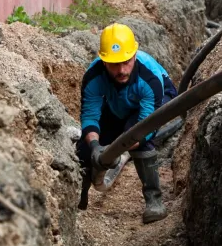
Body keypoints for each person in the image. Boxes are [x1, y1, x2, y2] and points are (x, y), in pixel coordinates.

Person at [76, 22, 178, 224]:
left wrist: (116, 149)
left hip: (157, 101)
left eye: (126, 62)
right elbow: (90, 115)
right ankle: (78, 198)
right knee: (84, 148)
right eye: (114, 64)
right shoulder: (93, 77)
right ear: (103, 61)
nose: (121, 69)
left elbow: (146, 125)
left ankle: (154, 201)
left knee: (140, 138)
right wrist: (96, 147)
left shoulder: (150, 79)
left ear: (134, 55)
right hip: (118, 100)